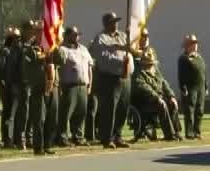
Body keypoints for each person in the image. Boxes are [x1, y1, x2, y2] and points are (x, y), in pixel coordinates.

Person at [89, 12, 137, 149]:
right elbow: (104, 58)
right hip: (110, 78)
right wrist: (122, 62)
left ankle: (118, 136)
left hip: (126, 77)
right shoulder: (101, 38)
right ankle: (107, 137)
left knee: (123, 107)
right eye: (112, 22)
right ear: (106, 23)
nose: (115, 24)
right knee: (110, 109)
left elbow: (132, 49)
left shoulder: (123, 35)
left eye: (116, 21)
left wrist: (132, 35)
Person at [51, 26, 93, 147]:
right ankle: (62, 137)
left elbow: (89, 67)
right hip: (69, 86)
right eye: (74, 34)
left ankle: (78, 137)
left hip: (83, 85)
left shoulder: (83, 49)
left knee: (81, 112)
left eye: (78, 35)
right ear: (67, 36)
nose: (77, 37)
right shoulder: (63, 49)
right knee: (66, 113)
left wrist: (90, 84)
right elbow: (58, 66)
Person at [21, 20, 57, 156]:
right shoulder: (30, 49)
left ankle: (48, 145)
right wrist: (42, 58)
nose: (42, 34)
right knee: (39, 119)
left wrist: (55, 49)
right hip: (39, 87)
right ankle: (39, 147)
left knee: (52, 117)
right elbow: (27, 68)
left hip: (52, 86)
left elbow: (62, 59)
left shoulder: (52, 46)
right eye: (39, 31)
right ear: (35, 33)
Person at [131, 48, 176, 141]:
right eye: (149, 64)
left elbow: (164, 83)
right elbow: (144, 88)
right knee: (162, 105)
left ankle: (177, 132)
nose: (151, 66)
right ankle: (170, 135)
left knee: (172, 104)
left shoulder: (155, 71)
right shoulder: (138, 73)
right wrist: (157, 97)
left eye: (152, 64)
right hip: (145, 102)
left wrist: (171, 96)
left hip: (157, 99)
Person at [0, 27, 24, 149]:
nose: (17, 40)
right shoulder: (4, 51)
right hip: (8, 87)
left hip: (16, 86)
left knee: (16, 114)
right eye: (15, 38)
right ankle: (7, 138)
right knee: (8, 113)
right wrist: (3, 84)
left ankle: (15, 137)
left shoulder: (17, 51)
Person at [178, 34, 209, 140]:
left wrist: (206, 86)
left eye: (196, 43)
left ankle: (197, 132)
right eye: (192, 43)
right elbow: (181, 75)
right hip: (190, 88)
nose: (195, 45)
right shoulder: (183, 59)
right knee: (189, 110)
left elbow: (204, 72)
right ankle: (189, 133)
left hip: (200, 87)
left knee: (200, 110)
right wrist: (183, 88)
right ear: (187, 45)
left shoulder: (199, 57)